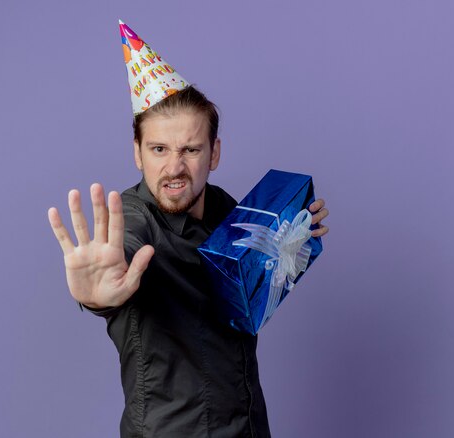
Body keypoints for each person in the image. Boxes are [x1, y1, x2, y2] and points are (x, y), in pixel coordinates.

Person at [48, 22, 329, 438]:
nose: (174, 168)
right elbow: (120, 257)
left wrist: (291, 242)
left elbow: (249, 293)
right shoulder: (130, 220)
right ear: (138, 154)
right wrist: (96, 296)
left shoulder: (227, 208)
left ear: (214, 153)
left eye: (191, 150)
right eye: (158, 149)